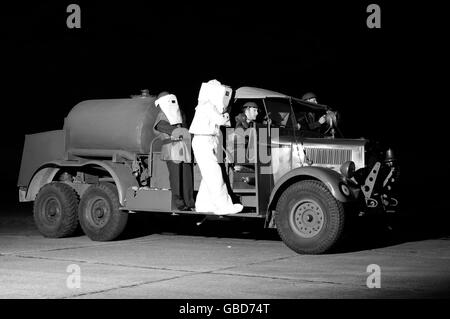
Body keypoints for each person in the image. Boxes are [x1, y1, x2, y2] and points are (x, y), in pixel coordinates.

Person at [189, 79, 243, 215]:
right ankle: (225, 206)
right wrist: (225, 111)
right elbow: (222, 120)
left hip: (209, 141)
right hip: (203, 141)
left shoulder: (209, 106)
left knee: (208, 176)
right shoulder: (206, 105)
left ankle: (203, 205)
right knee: (215, 175)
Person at [154, 91, 195, 211]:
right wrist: (182, 132)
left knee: (187, 176)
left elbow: (185, 128)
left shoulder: (180, 113)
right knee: (176, 177)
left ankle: (189, 202)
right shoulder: (162, 115)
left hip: (183, 148)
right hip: (171, 148)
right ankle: (179, 203)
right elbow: (161, 126)